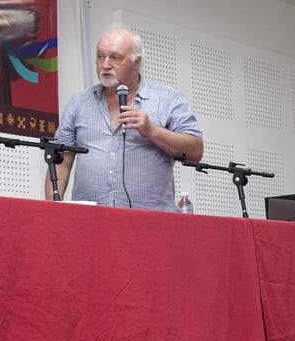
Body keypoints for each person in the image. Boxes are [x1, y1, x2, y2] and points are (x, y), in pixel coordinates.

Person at [47, 28, 204, 211]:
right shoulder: (78, 102)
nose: (105, 65)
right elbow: (60, 162)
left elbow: (195, 151)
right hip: (90, 218)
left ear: (137, 62)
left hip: (149, 220)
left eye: (115, 58)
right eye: (100, 56)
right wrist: (53, 211)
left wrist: (152, 131)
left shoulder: (169, 99)